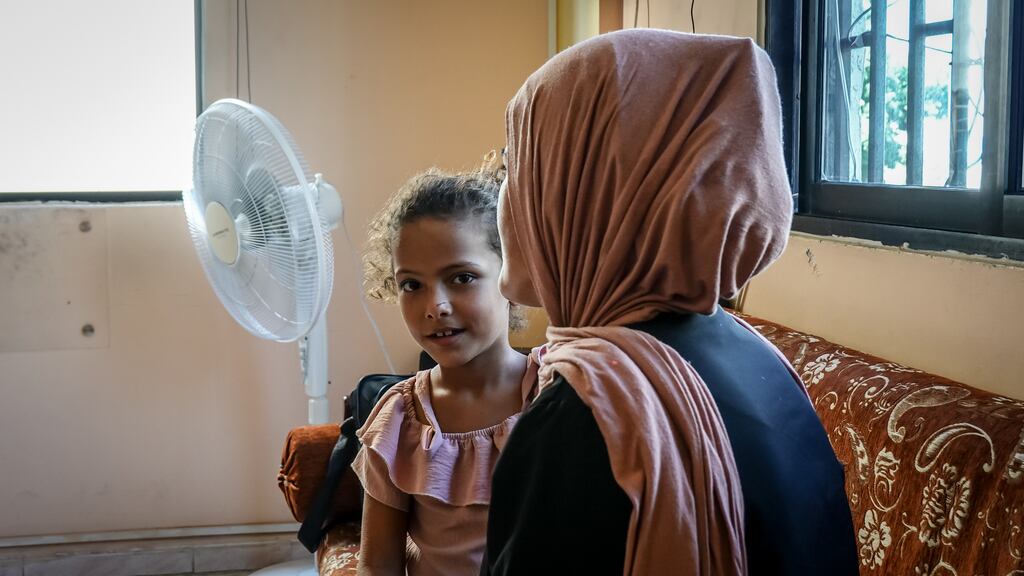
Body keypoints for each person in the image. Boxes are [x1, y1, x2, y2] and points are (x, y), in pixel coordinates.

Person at [482, 30, 858, 575]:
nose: (507, 195)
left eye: (522, 164)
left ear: (593, 189)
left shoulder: (586, 424)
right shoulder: (757, 357)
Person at [355, 162, 537, 576]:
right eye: (411, 285)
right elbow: (378, 564)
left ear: (511, 275)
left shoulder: (555, 392)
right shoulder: (399, 420)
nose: (434, 306)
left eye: (461, 277)